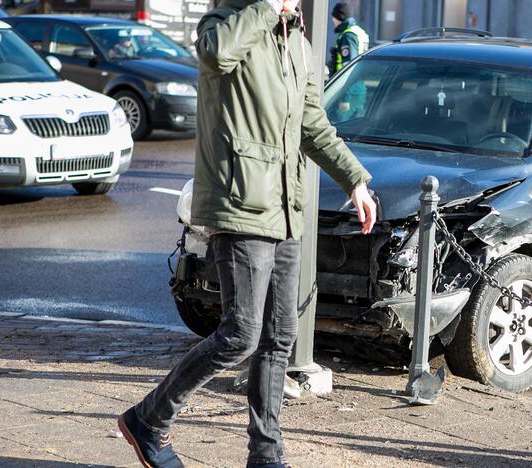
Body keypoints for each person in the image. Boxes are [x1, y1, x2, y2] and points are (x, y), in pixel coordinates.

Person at [116, 1, 377, 467]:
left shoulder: (299, 44)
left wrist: (354, 179)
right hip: (239, 203)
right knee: (240, 334)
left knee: (280, 337)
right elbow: (215, 53)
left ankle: (266, 455)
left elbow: (312, 125)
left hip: (285, 207)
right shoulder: (227, 23)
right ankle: (149, 419)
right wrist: (262, 8)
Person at [328, 2, 368, 76]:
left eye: (334, 17)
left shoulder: (348, 36)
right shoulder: (358, 32)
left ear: (340, 17)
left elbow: (348, 66)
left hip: (347, 85)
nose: (333, 20)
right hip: (357, 81)